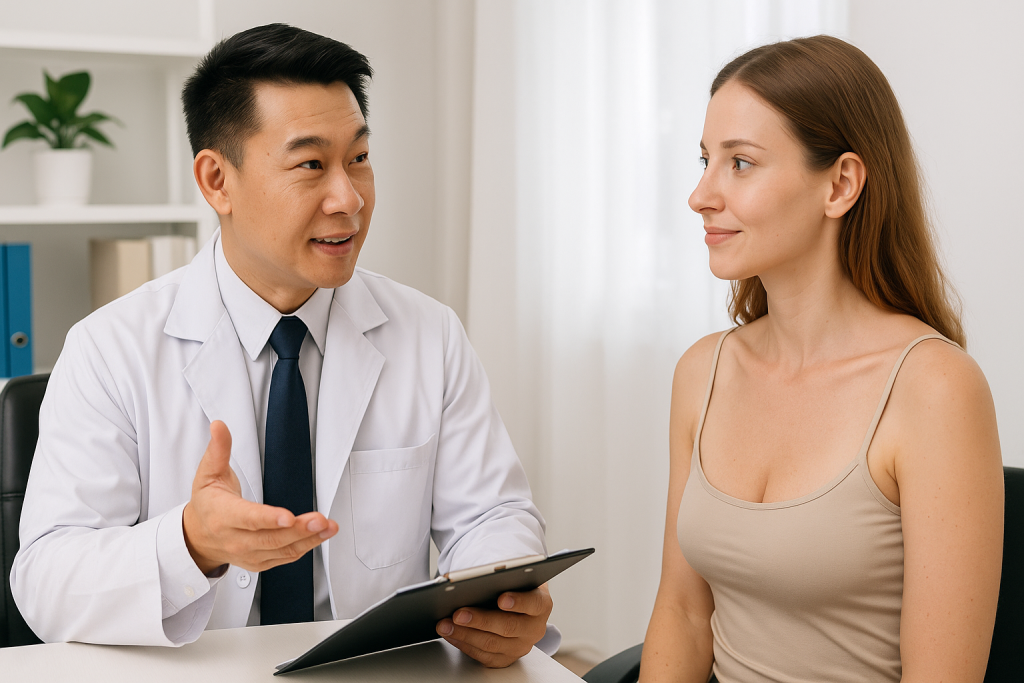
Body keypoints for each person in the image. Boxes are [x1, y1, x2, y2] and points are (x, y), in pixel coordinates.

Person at [11, 24, 555, 667]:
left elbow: (491, 515)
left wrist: (502, 593)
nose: (348, 199)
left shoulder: (428, 334)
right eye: (310, 165)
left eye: (358, 158)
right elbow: (47, 584)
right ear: (217, 181)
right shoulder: (109, 348)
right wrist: (192, 542)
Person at [641, 36, 1003, 683]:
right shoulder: (702, 372)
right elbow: (683, 613)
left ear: (840, 184)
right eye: (704, 160)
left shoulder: (936, 390)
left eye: (740, 164)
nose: (700, 195)